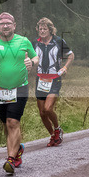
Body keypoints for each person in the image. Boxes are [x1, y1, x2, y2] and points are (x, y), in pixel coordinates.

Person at [0, 12, 37, 174]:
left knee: (13, 122)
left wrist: (31, 62)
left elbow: (36, 58)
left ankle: (10, 160)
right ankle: (17, 148)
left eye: (8, 23)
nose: (5, 25)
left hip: (19, 87)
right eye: (2, 23)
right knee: (6, 123)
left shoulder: (23, 41)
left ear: (14, 25)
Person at [33, 17, 73, 147]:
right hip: (40, 79)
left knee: (48, 108)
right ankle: (52, 135)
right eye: (40, 28)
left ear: (50, 30)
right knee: (42, 113)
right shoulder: (35, 43)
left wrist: (65, 67)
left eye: (45, 29)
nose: (42, 31)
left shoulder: (58, 41)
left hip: (54, 79)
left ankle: (57, 128)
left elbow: (71, 55)